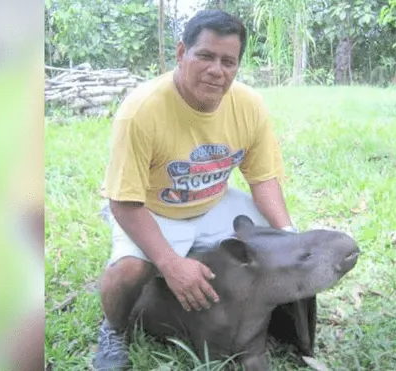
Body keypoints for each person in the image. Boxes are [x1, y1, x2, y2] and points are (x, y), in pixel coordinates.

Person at [94, 9, 297, 370]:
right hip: (152, 208)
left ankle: (264, 313)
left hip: (214, 202)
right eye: (204, 55)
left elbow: (263, 179)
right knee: (128, 273)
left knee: (275, 243)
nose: (216, 70)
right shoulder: (140, 111)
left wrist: (289, 236)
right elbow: (124, 202)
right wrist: (171, 264)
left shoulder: (249, 105)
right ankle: (113, 330)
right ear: (180, 53)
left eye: (227, 61)